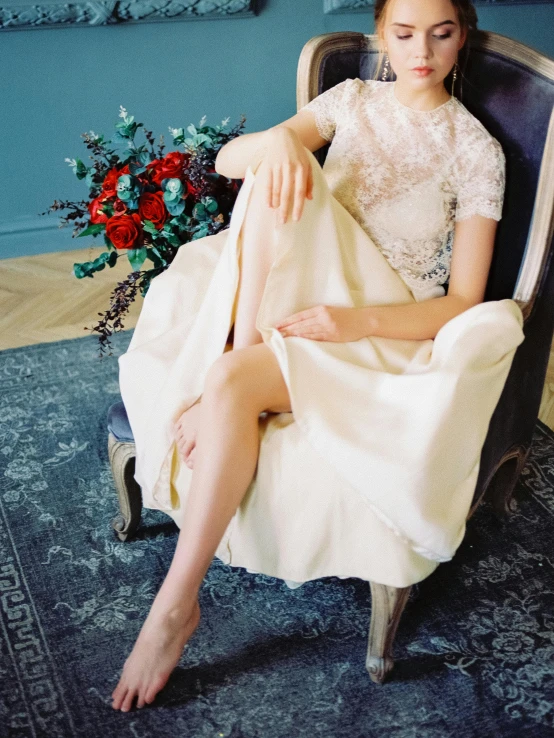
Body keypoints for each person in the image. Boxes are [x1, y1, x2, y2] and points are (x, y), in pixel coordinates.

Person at [111, 0, 525, 712]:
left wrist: (350, 319)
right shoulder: (353, 100)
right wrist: (275, 146)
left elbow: (462, 304)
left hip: (377, 326)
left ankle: (175, 605)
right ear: (379, 36)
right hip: (297, 292)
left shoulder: (473, 149)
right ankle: (231, 372)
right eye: (403, 33)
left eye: (441, 33)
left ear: (464, 36)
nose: (421, 51)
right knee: (279, 171)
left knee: (241, 366)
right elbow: (229, 161)